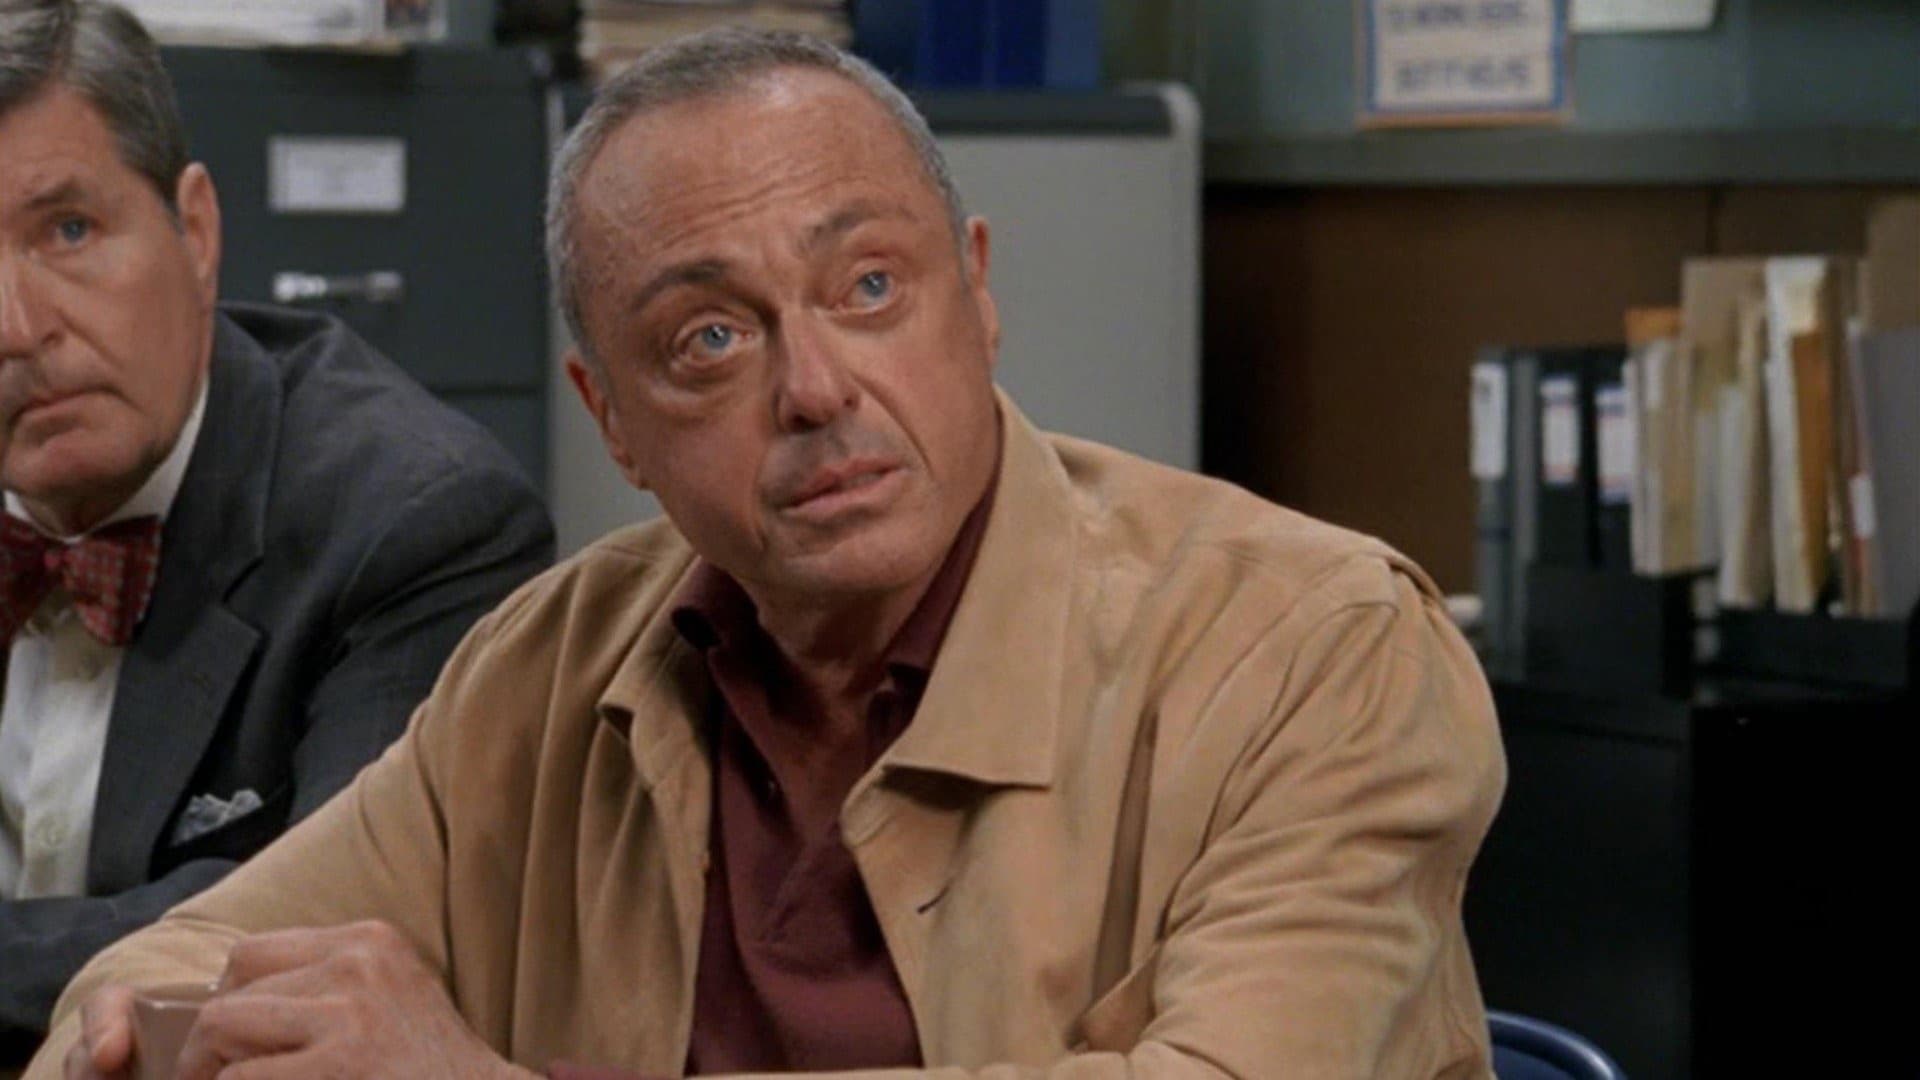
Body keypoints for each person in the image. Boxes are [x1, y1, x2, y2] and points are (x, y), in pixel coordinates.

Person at [31, 25, 1505, 1080]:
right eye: (709, 340)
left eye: (869, 287)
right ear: (611, 420)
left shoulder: (1319, 651)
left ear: (978, 293)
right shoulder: (549, 672)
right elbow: (159, 969)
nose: (815, 388)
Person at [0, 0, 554, 1064]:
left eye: (70, 231)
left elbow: (318, 944)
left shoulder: (416, 521)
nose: (19, 328)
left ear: (197, 232)